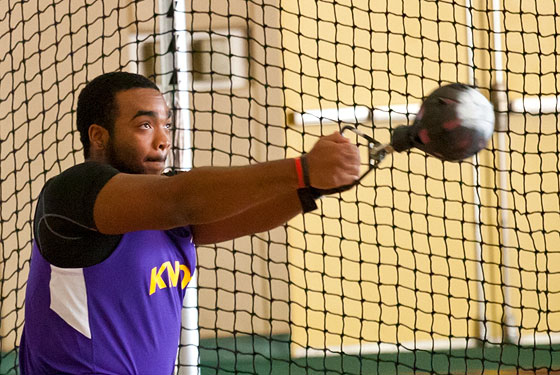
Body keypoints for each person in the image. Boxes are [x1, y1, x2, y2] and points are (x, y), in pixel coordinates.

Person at [19, 71, 361, 374]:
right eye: (145, 125)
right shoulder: (73, 194)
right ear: (99, 136)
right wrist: (301, 169)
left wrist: (313, 186)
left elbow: (247, 216)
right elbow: (179, 198)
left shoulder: (168, 214)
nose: (163, 139)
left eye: (166, 125)